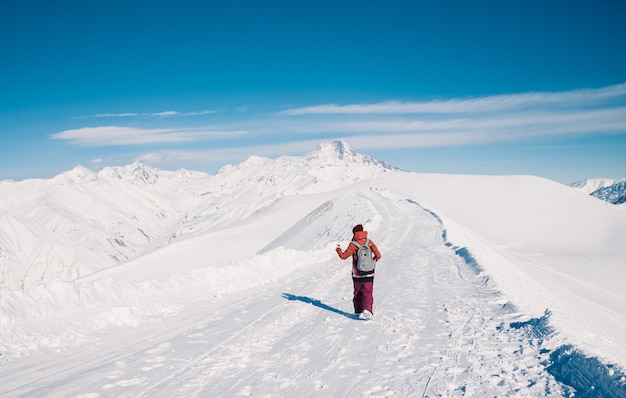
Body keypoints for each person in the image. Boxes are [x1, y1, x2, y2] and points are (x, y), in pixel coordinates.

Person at [335, 224, 382, 319]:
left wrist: (338, 249)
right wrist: (372, 262)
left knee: (358, 292)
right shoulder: (369, 242)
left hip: (357, 274)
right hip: (369, 272)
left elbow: (344, 256)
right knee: (368, 292)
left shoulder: (353, 244)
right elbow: (378, 255)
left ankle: (358, 311)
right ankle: (367, 310)